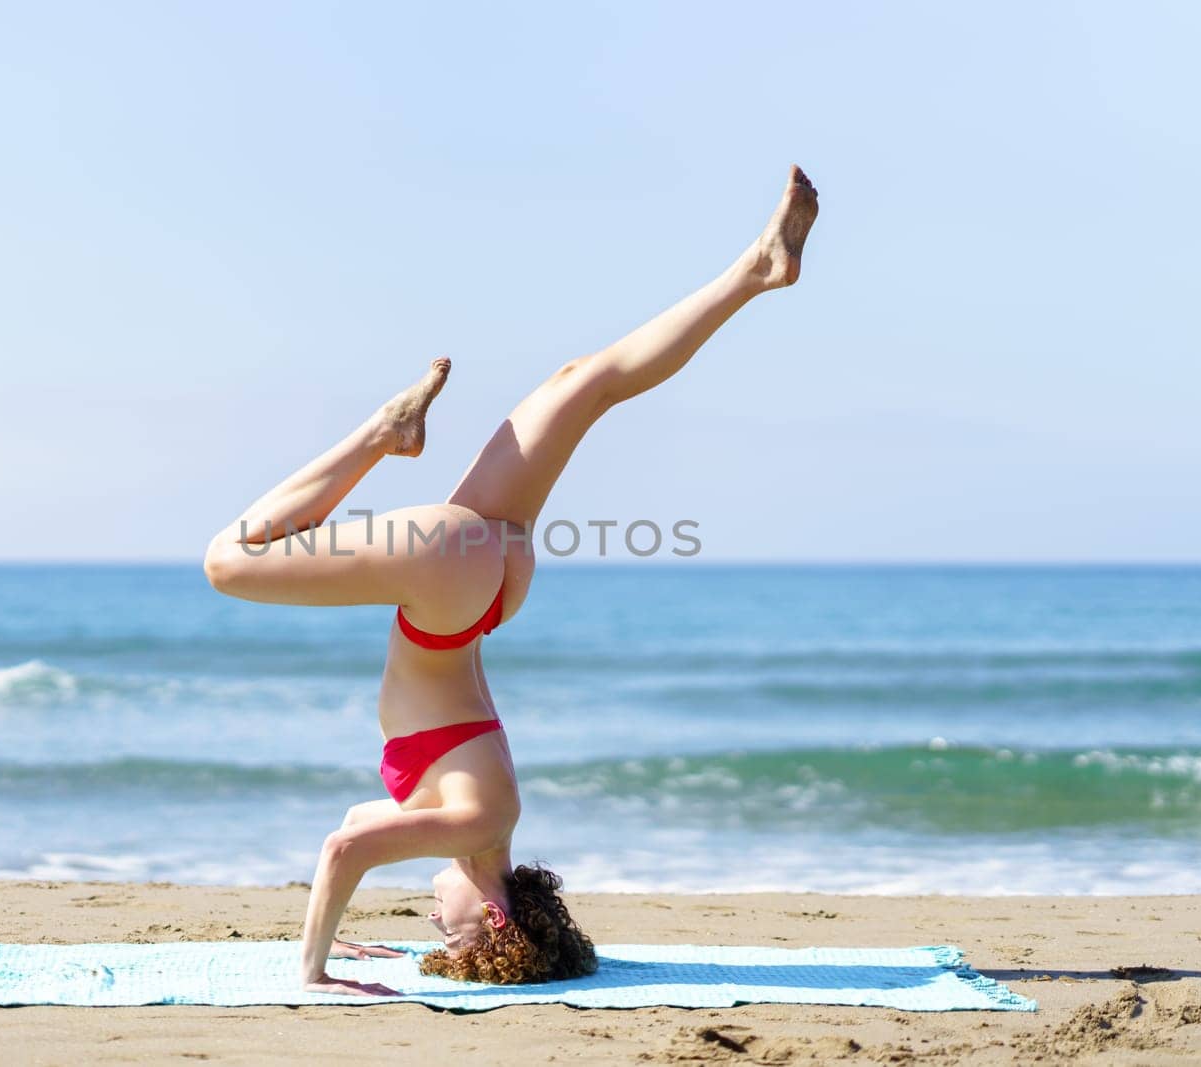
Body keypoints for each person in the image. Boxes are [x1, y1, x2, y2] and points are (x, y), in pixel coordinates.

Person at [205, 166, 819, 995]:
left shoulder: (475, 827)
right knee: (229, 561)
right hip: (449, 585)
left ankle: (754, 272)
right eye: (454, 934)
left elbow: (356, 826)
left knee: (584, 382)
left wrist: (341, 935)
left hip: (486, 590)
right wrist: (312, 970)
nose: (433, 923)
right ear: (495, 917)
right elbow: (344, 851)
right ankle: (384, 432)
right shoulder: (480, 821)